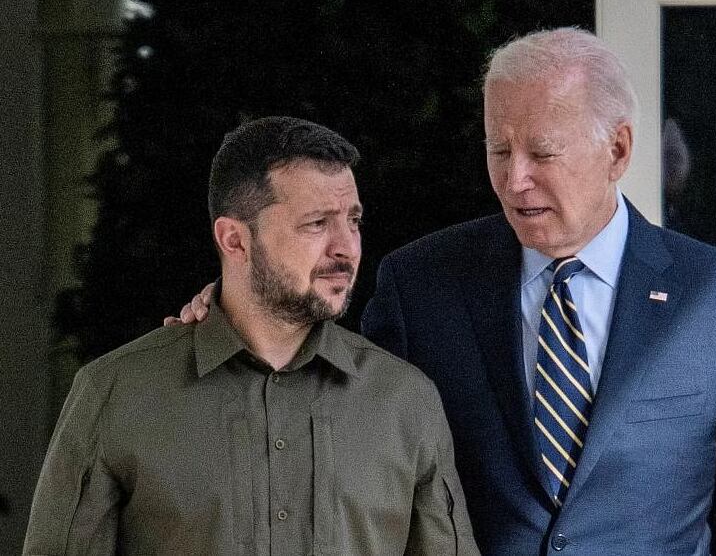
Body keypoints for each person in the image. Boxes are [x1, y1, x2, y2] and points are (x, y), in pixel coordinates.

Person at [173, 29, 716, 555]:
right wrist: (235, 312)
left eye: (542, 152)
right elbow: (334, 426)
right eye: (498, 149)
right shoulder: (421, 284)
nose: (515, 178)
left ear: (617, 149)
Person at [24, 116, 478, 555]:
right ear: (235, 240)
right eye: (317, 224)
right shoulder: (116, 393)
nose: (347, 247)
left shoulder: (406, 401)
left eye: (353, 221)